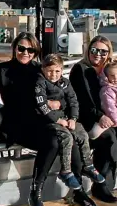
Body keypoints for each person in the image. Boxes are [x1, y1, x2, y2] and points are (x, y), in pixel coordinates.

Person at [0, 32, 97, 206]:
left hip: (41, 120)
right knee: (52, 141)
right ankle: (36, 193)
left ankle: (76, 190)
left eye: (30, 49)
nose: (25, 52)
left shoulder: (40, 69)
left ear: (36, 51)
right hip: (17, 124)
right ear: (14, 48)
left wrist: (60, 104)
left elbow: (63, 94)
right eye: (21, 48)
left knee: (68, 139)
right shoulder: (1, 69)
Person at [69, 35, 117, 202]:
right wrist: (99, 116)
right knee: (108, 138)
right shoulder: (81, 69)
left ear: (109, 53)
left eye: (103, 51)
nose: (98, 54)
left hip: (113, 117)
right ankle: (101, 186)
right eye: (94, 50)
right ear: (89, 50)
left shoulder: (112, 70)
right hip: (88, 118)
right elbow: (82, 100)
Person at [34, 54, 106, 190]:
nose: (53, 74)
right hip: (49, 120)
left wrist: (73, 118)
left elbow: (73, 101)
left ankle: (88, 165)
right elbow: (42, 105)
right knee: (66, 137)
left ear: (61, 70)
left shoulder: (65, 83)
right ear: (43, 69)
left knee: (82, 134)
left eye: (57, 71)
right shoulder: (40, 83)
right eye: (50, 71)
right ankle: (65, 170)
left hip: (66, 118)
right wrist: (57, 119)